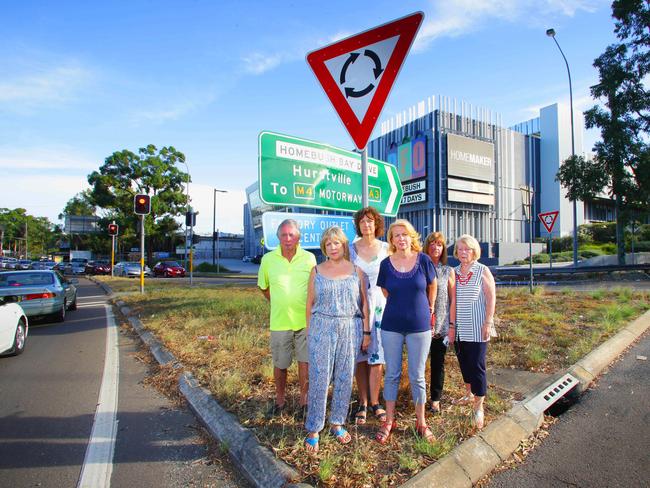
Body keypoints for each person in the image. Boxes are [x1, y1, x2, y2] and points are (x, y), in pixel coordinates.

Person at [303, 226, 369, 453]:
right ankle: (314, 427)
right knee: (320, 377)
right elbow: (309, 304)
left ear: (344, 245)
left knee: (344, 376)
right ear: (324, 246)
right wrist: (310, 333)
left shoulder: (357, 271)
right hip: (322, 327)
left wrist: (367, 332)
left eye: (336, 243)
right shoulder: (316, 270)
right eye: (328, 244)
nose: (332, 247)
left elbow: (365, 305)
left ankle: (337, 423)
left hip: (350, 326)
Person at [375, 219, 438, 444]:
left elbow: (432, 284)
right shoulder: (385, 264)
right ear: (391, 240)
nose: (401, 239)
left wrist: (429, 307)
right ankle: (389, 421)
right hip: (391, 326)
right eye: (396, 235)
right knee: (392, 374)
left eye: (404, 234)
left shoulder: (424, 260)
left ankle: (421, 422)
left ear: (411, 236)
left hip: (419, 326)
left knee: (417, 375)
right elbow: (385, 291)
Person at [258, 219, 316, 418]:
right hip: (280, 321)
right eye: (284, 235)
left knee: (305, 363)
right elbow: (264, 287)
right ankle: (280, 401)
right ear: (278, 237)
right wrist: (280, 303)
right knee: (280, 364)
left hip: (305, 321)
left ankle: (305, 402)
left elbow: (315, 289)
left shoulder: (309, 259)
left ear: (298, 237)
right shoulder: (268, 260)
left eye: (292, 235)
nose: (288, 239)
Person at [451, 234, 496, 430]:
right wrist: (451, 326)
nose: (463, 252)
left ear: (474, 251)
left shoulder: (482, 270)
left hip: (478, 326)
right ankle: (469, 393)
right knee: (464, 363)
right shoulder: (454, 272)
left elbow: (491, 297)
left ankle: (479, 406)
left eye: (467, 249)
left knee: (477, 365)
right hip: (459, 328)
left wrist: (488, 321)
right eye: (460, 249)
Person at [349, 206, 389, 425]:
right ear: (358, 225)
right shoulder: (350, 249)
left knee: (377, 357)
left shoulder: (386, 248)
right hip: (356, 309)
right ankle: (362, 402)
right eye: (363, 221)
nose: (366, 225)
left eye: (370, 221)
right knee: (360, 358)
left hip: (381, 307)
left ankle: (375, 402)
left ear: (377, 224)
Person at [424, 231, 456, 414]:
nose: (435, 247)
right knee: (418, 364)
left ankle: (435, 399)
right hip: (421, 325)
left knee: (438, 363)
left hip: (441, 326)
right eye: (432, 243)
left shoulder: (447, 271)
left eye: (439, 244)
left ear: (443, 248)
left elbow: (453, 300)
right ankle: (417, 398)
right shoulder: (419, 267)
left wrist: (451, 325)